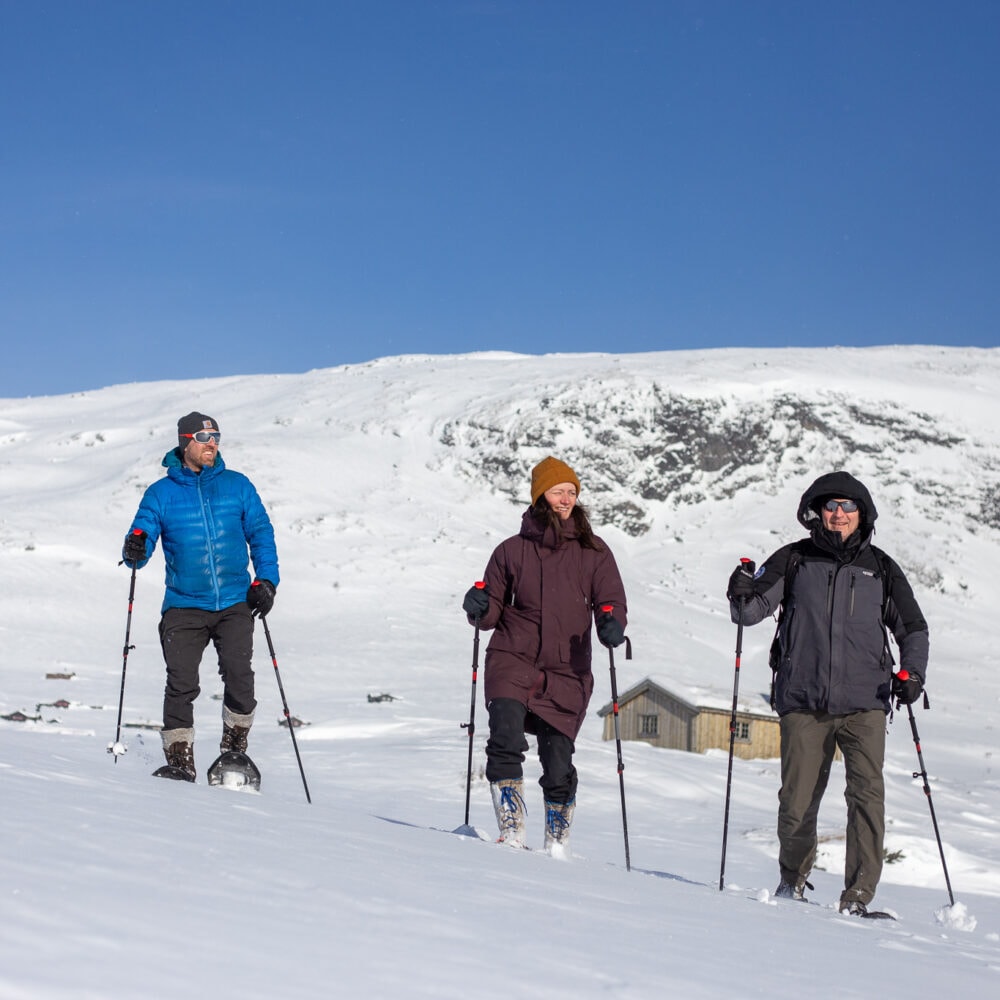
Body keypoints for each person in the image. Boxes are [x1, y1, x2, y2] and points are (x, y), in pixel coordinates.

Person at [726, 470, 928, 917]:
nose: (838, 515)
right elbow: (752, 610)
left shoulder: (881, 568)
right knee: (797, 799)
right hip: (804, 699)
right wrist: (741, 592)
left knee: (866, 799)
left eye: (848, 507)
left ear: (862, 514)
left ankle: (857, 897)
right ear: (816, 512)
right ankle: (791, 881)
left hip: (866, 701)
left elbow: (912, 627)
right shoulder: (794, 559)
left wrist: (912, 673)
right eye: (830, 507)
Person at [461, 456, 628, 854]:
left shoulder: (594, 552)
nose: (566, 498)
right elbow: (491, 612)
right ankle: (511, 827)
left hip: (567, 669)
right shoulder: (510, 551)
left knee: (558, 762)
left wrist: (611, 622)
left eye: (572, 492)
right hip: (511, 659)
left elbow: (610, 599)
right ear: (540, 496)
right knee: (505, 739)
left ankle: (556, 837)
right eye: (558, 491)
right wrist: (479, 606)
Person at [122, 412, 280, 780]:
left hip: (235, 601)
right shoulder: (160, 493)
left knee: (240, 676)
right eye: (205, 437)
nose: (213, 443)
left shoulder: (238, 486)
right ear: (185, 442)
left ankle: (233, 753)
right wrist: (134, 547)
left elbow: (261, 532)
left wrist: (267, 580)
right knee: (181, 683)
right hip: (182, 605)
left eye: (217, 437)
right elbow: (140, 541)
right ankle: (180, 763)